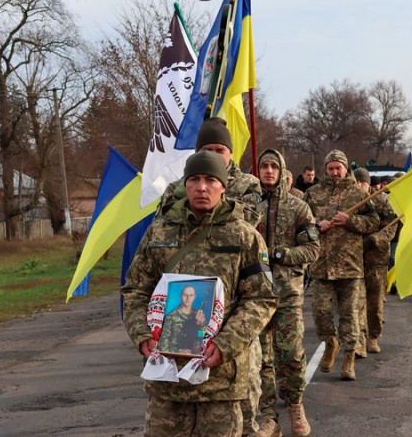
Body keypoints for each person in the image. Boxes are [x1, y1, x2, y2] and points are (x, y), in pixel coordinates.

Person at [122, 150, 278, 437]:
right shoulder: (158, 233)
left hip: (220, 380)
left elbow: (261, 298)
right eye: (194, 179)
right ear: (185, 184)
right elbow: (135, 290)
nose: (202, 187)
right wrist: (141, 335)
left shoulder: (244, 236)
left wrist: (225, 344)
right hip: (167, 379)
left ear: (223, 186)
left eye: (210, 180)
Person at [254, 149, 320, 437]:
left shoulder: (298, 207)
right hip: (255, 294)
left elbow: (313, 249)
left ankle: (295, 405)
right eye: (264, 166)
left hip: (287, 292)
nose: (268, 171)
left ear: (281, 170)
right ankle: (268, 415)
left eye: (273, 166)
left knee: (291, 353)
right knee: (261, 357)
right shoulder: (246, 206)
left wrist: (282, 253)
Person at [304, 150, 379, 380]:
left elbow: (374, 221)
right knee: (320, 312)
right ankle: (330, 342)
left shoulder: (358, 194)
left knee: (349, 315)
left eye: (339, 168)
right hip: (321, 265)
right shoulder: (313, 194)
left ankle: (349, 358)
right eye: (331, 168)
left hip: (350, 265)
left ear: (346, 168)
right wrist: (317, 225)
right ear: (325, 170)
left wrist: (350, 220)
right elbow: (301, 222)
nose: (335, 172)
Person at [160, 117, 262, 226]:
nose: (213, 155)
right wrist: (183, 197)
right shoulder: (178, 187)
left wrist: (212, 198)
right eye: (207, 150)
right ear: (197, 152)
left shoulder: (249, 184)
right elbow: (163, 221)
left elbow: (251, 218)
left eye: (220, 150)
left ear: (230, 153)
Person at [354, 168, 397, 355]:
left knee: (375, 303)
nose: (359, 187)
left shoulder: (382, 201)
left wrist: (373, 240)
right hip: (354, 261)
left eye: (362, 183)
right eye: (355, 183)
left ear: (368, 184)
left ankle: (373, 336)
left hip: (377, 260)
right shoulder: (351, 202)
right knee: (357, 303)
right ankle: (360, 340)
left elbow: (390, 228)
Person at [158, 285, 207, 355]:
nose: (188, 298)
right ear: (181, 296)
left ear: (194, 297)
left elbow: (203, 337)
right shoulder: (170, 317)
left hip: (195, 357)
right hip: (175, 358)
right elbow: (163, 344)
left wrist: (200, 326)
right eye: (185, 295)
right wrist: (177, 352)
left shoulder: (199, 315)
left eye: (191, 295)